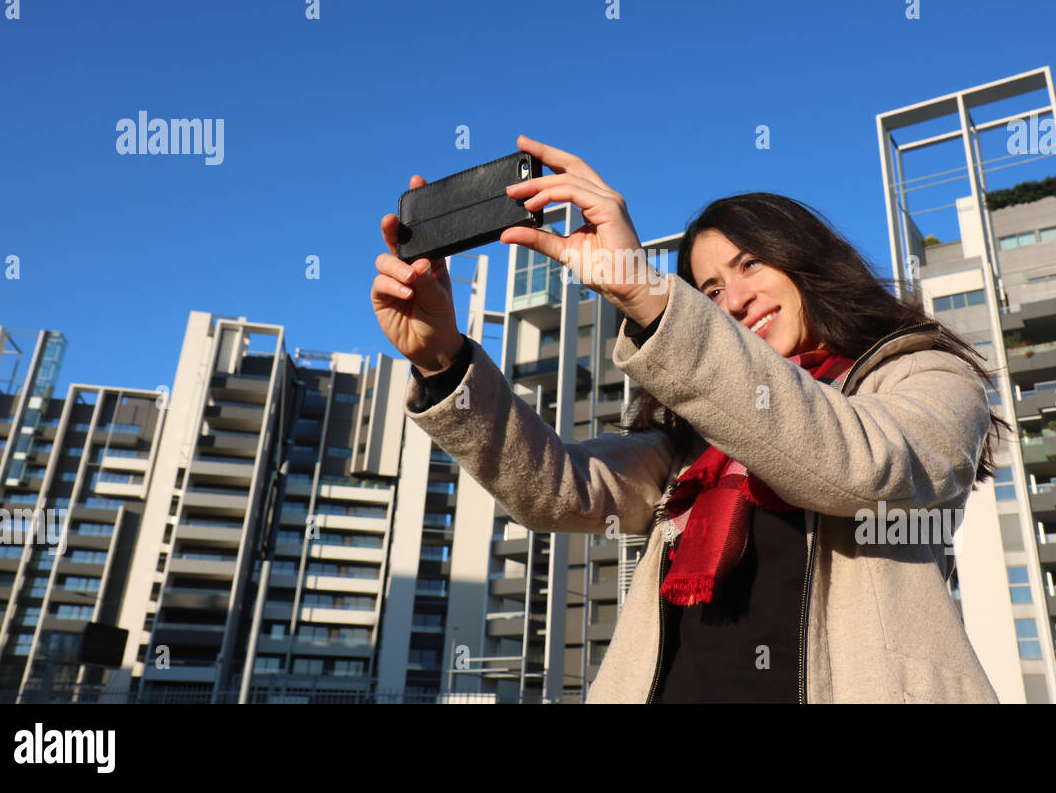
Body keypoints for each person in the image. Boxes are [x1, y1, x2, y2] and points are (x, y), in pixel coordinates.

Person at [372, 134, 1010, 703]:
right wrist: (444, 361)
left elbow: (860, 467)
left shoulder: (922, 373)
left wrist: (642, 289)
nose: (733, 300)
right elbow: (557, 490)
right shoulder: (693, 444)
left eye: (750, 264)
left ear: (807, 262)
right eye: (706, 292)